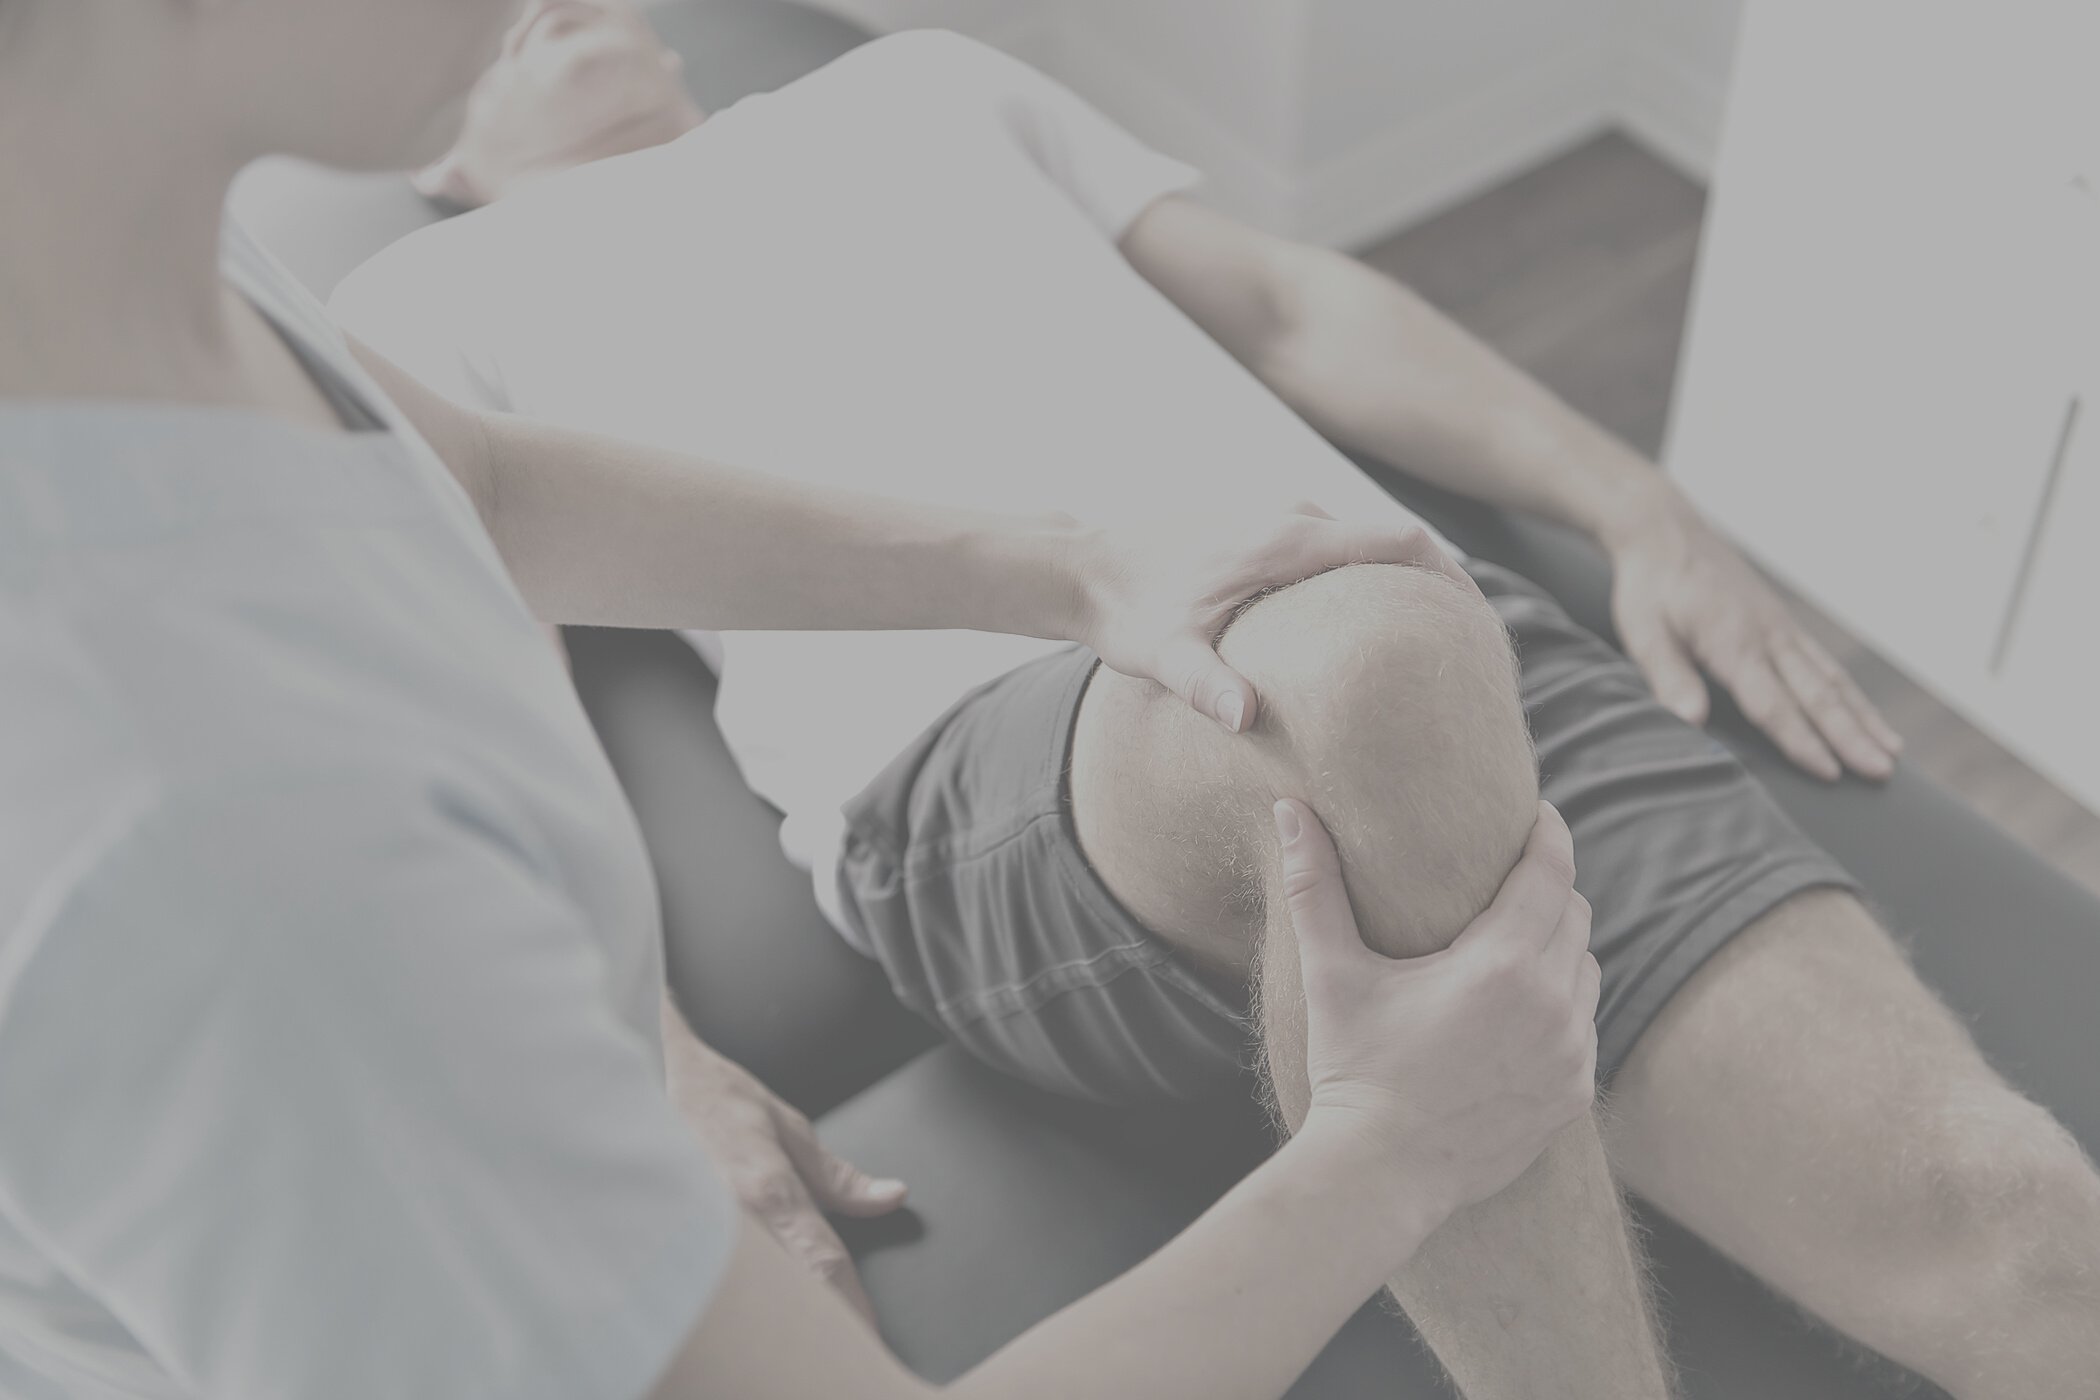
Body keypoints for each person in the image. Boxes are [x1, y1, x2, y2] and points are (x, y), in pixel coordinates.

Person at [332, 11, 2100, 1400]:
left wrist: (1634, 503)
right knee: (1356, 661)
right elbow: (480, 681)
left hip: (1431, 643)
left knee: (2027, 1242)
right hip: (1013, 770)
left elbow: (1284, 301)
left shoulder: (917, 89)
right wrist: (650, 1046)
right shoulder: (417, 305)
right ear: (426, 152)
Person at [0, 1, 1601, 1398]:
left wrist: (1067, 568)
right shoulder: (207, 844)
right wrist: (1388, 1153)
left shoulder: (115, 220)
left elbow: (478, 483)